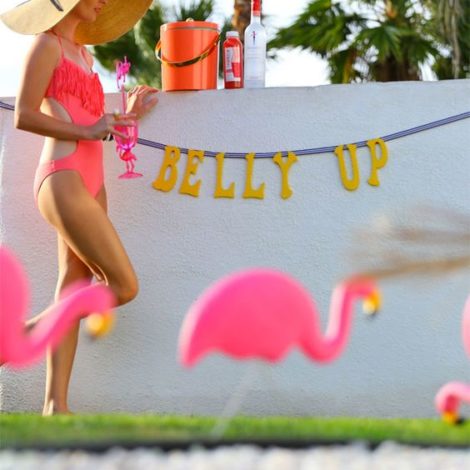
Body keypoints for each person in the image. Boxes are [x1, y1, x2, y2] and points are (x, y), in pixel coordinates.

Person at [0, 0, 158, 415]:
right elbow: (23, 115)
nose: (104, 2)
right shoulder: (46, 45)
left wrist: (126, 116)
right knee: (123, 285)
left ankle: (56, 406)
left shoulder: (84, 56)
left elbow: (90, 121)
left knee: (73, 291)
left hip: (93, 182)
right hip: (63, 176)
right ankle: (12, 342)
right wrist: (88, 130)